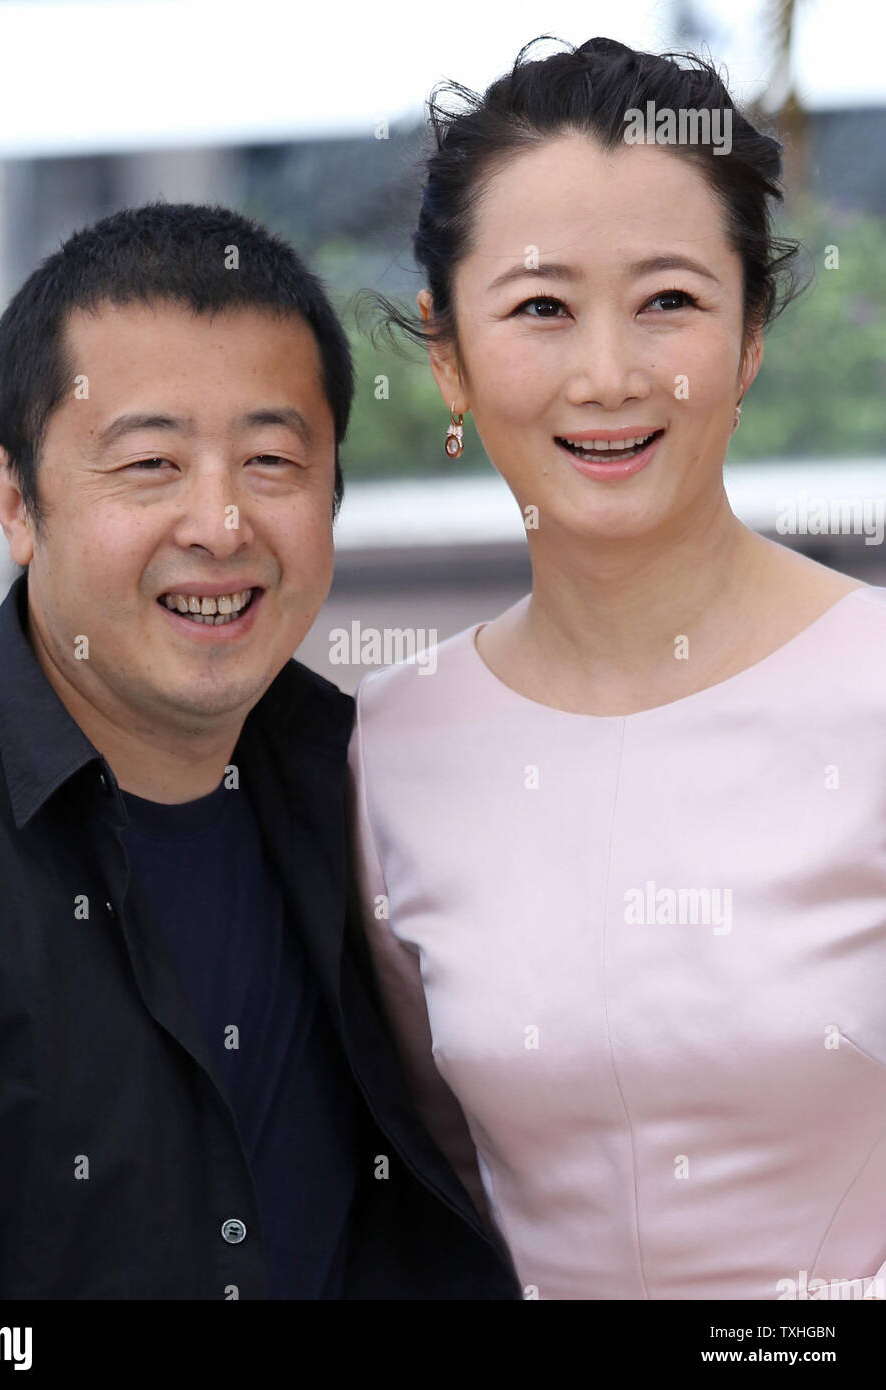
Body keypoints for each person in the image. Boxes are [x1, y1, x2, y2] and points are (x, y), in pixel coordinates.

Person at [0, 202, 521, 1300]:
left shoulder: (369, 777)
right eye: (150, 464)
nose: (220, 524)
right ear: (17, 500)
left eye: (271, 458)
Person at [347, 36, 886, 1301]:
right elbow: (438, 1168)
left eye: (670, 301)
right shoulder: (392, 742)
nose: (608, 376)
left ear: (751, 335)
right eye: (540, 307)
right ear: (448, 352)